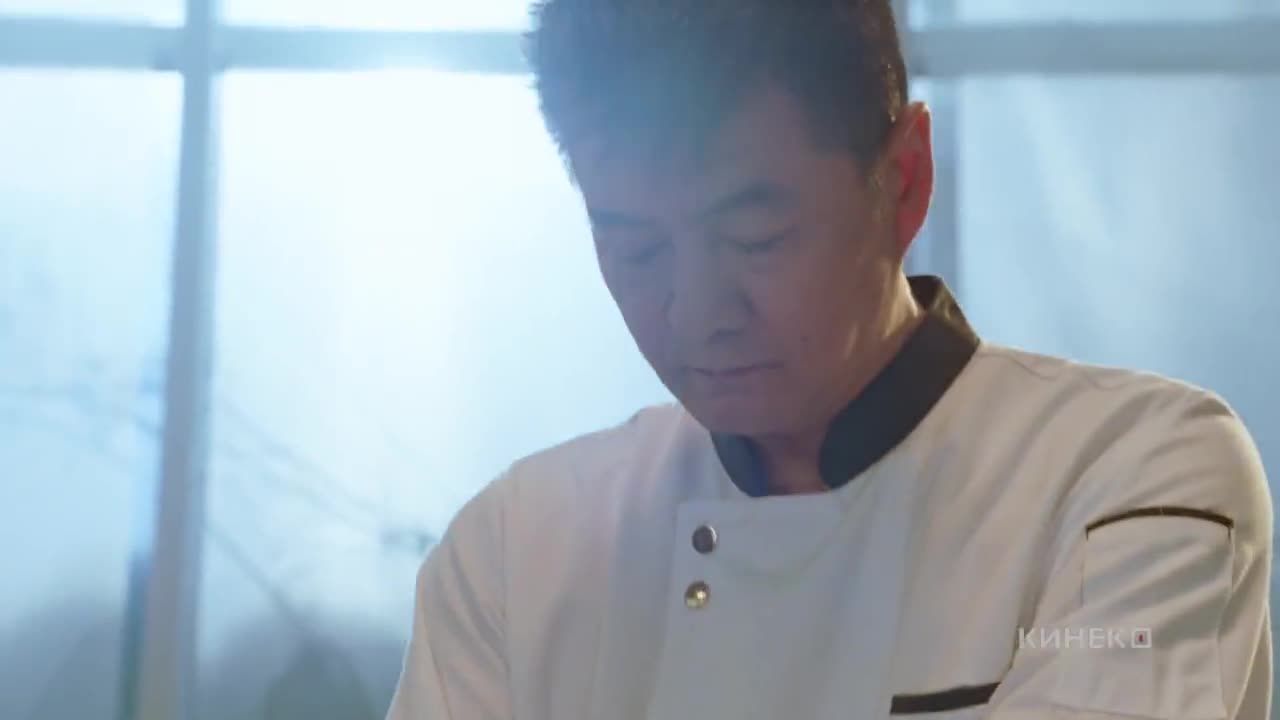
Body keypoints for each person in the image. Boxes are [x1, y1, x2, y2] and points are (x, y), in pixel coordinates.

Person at [387, 1, 1273, 718]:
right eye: (636, 249)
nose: (698, 315)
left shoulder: (1128, 475)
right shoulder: (518, 550)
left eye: (757, 237)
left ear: (905, 181)